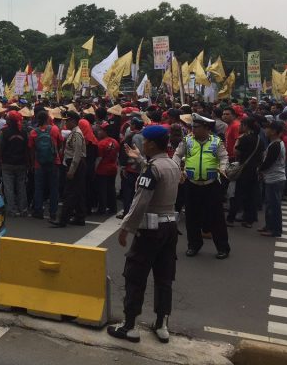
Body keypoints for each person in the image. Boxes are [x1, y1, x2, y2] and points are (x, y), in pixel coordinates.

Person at [108, 125, 182, 344]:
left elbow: (140, 202)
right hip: (170, 226)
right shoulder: (172, 164)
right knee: (164, 277)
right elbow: (156, 174)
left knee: (135, 275)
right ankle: (162, 324)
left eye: (144, 142)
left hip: (151, 229)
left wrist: (126, 228)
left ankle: (129, 326)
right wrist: (140, 159)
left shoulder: (152, 169)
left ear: (150, 144)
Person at [172, 113, 230, 259]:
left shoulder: (216, 142)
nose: (193, 130)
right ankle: (194, 245)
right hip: (191, 184)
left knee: (216, 218)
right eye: (192, 127)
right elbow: (177, 155)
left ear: (206, 128)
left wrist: (223, 168)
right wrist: (178, 169)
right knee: (192, 217)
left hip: (211, 185)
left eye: (196, 127)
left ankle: (222, 247)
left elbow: (224, 157)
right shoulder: (187, 141)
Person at [50, 111, 86, 227]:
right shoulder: (73, 132)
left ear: (73, 121)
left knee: (69, 193)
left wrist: (71, 170)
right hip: (73, 163)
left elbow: (77, 154)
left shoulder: (77, 134)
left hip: (75, 164)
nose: (65, 123)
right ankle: (80, 217)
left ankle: (62, 220)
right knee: (77, 193)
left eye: (67, 121)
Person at [226, 117, 263, 227]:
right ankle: (249, 220)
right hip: (254, 170)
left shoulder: (244, 138)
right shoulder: (259, 139)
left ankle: (230, 219)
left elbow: (236, 152)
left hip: (244, 170)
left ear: (246, 126)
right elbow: (261, 155)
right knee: (251, 196)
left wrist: (238, 140)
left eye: (242, 125)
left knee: (238, 195)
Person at [28, 110, 62, 220]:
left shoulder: (34, 132)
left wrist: (32, 163)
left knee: (39, 188)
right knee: (53, 188)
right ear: (48, 119)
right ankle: (53, 212)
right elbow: (60, 143)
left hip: (39, 163)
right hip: (54, 162)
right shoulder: (55, 130)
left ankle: (38, 211)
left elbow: (32, 150)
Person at [0, 110, 29, 217]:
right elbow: (27, 149)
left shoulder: (4, 132)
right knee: (21, 187)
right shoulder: (24, 132)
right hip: (21, 163)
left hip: (7, 164)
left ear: (10, 121)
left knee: (9, 188)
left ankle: (12, 210)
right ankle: (23, 209)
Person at [258, 120, 287, 237]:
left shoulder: (276, 145)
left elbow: (268, 162)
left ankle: (275, 230)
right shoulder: (274, 143)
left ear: (274, 131)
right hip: (272, 178)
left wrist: (259, 169)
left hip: (275, 178)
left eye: (268, 128)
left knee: (274, 206)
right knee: (270, 204)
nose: (265, 130)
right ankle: (269, 226)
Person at [95, 125, 120, 215]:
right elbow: (117, 156)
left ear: (105, 132)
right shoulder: (115, 142)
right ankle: (113, 208)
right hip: (113, 167)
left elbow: (99, 159)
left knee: (102, 190)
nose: (98, 132)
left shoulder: (101, 143)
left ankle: (102, 209)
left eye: (100, 131)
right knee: (111, 189)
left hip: (102, 169)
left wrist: (95, 169)